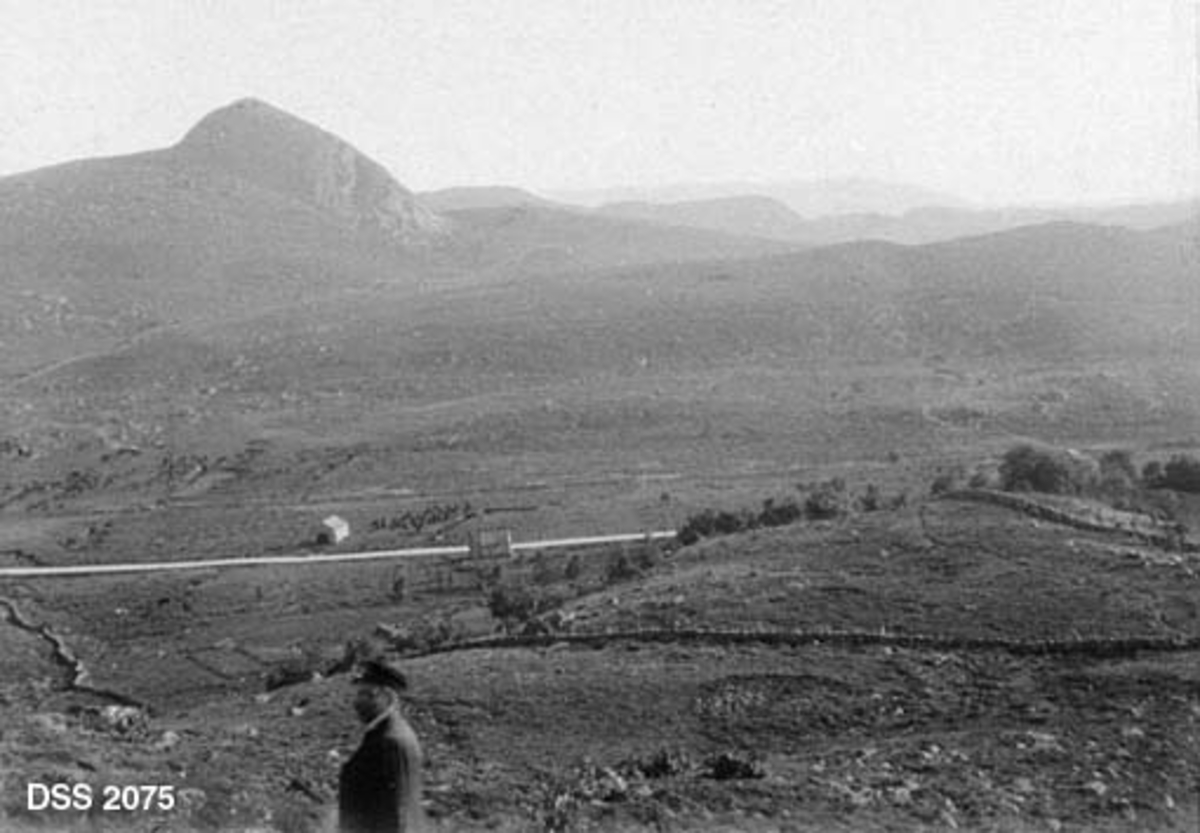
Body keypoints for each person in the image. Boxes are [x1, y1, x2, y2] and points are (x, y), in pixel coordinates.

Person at [337, 660, 426, 832]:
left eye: (365, 694)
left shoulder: (390, 742)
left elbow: (395, 814)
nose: (357, 702)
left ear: (386, 696)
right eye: (357, 694)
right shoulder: (386, 735)